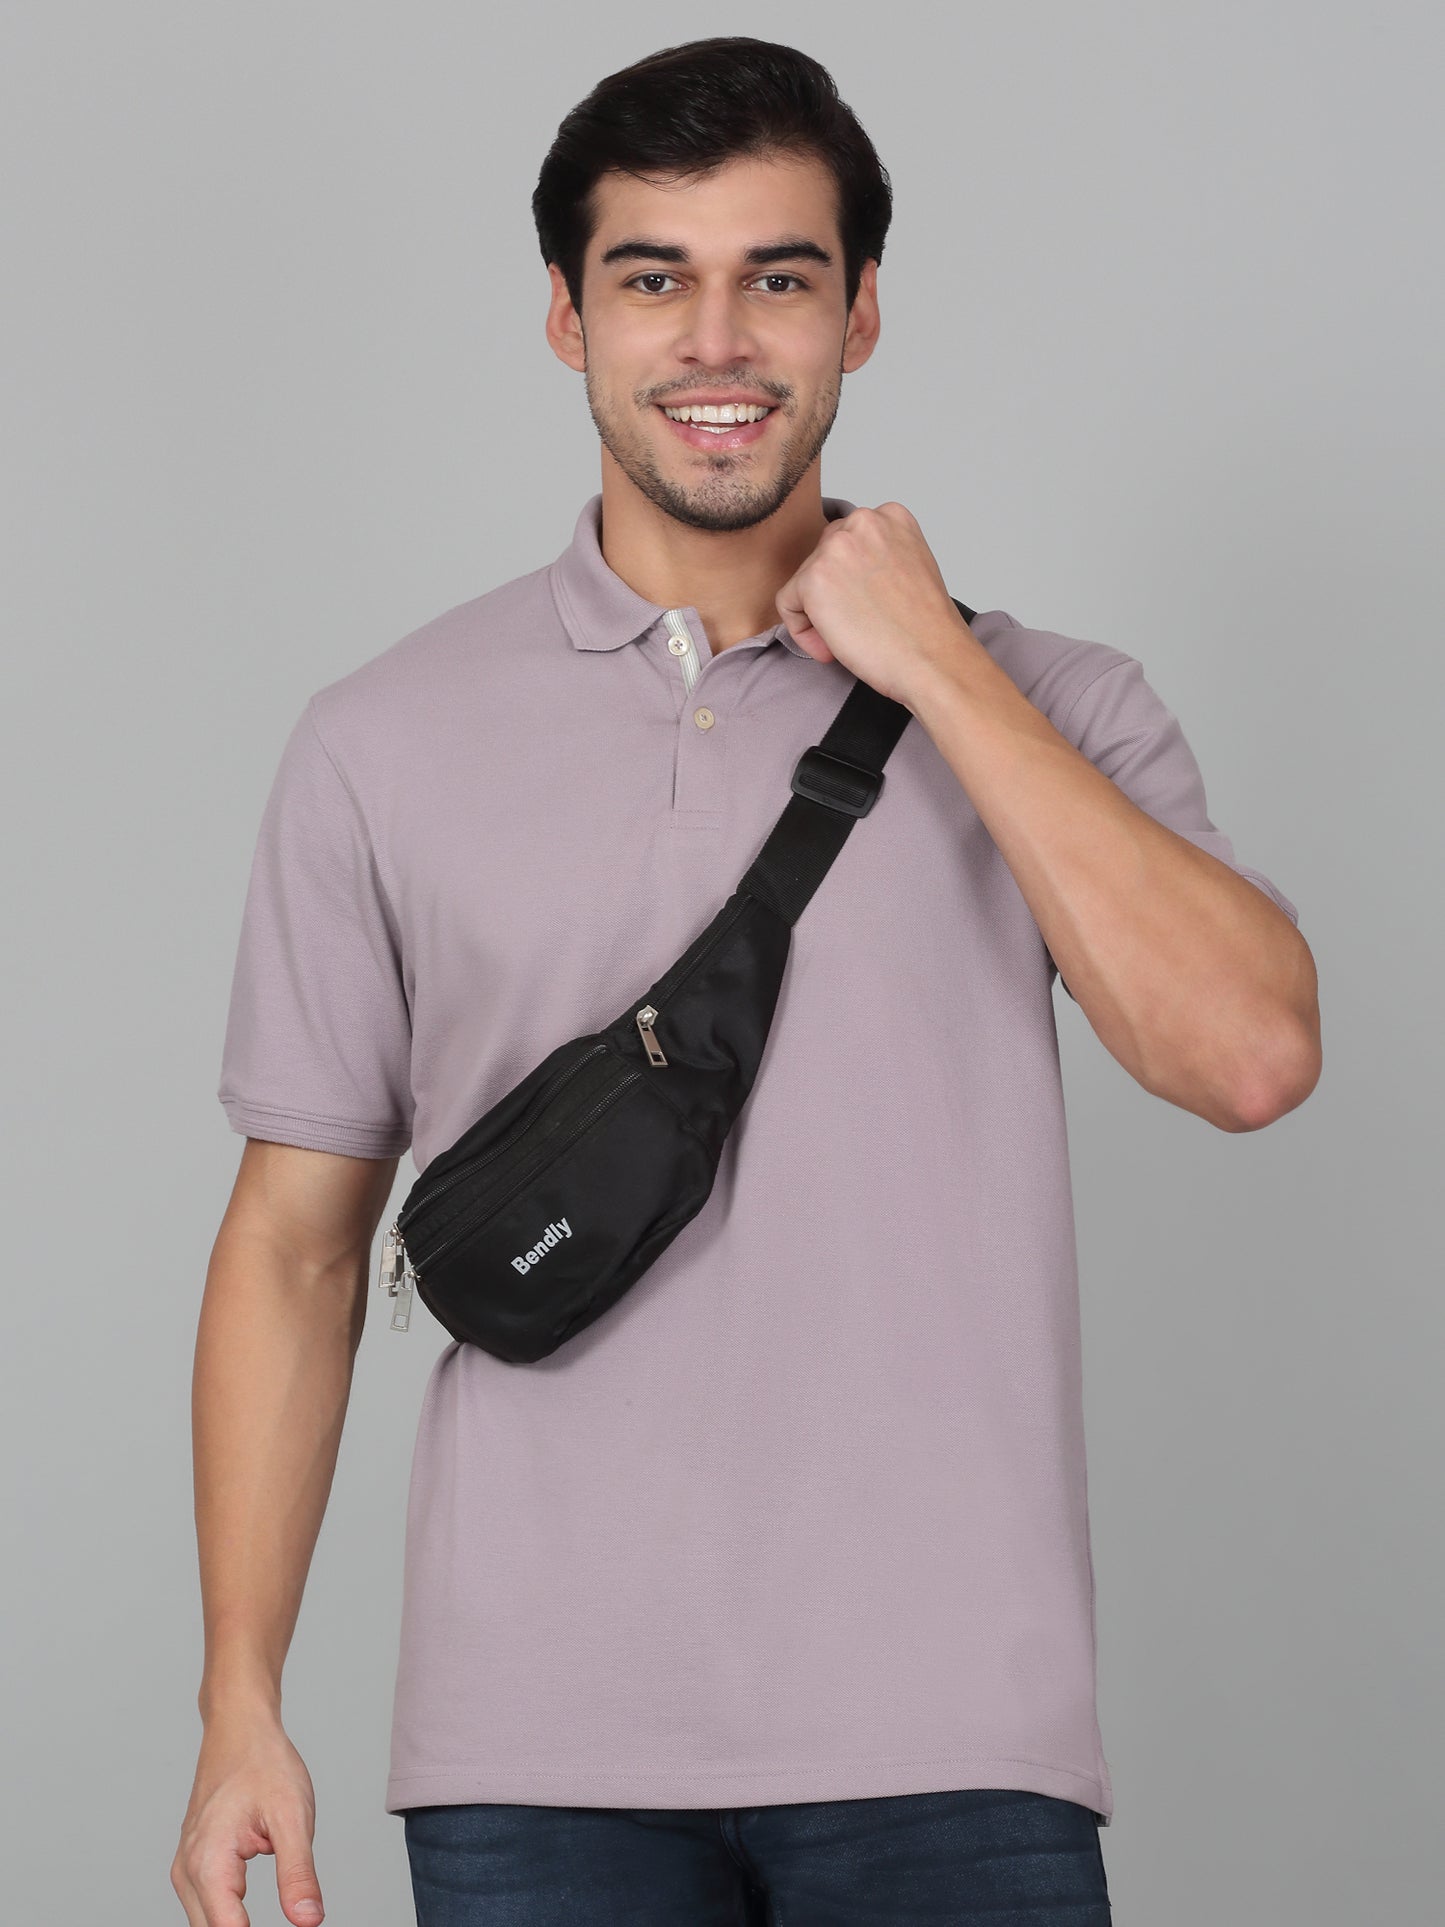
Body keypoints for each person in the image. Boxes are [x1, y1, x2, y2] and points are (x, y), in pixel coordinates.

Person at [171, 34, 1321, 1927]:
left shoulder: (1055, 702)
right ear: (567, 316)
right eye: (653, 278)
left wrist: (936, 668)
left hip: (952, 1737)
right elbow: (294, 1246)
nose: (717, 341)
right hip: (530, 1755)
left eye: (778, 278)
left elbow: (1249, 1056)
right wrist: (240, 1703)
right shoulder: (380, 740)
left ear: (859, 313)